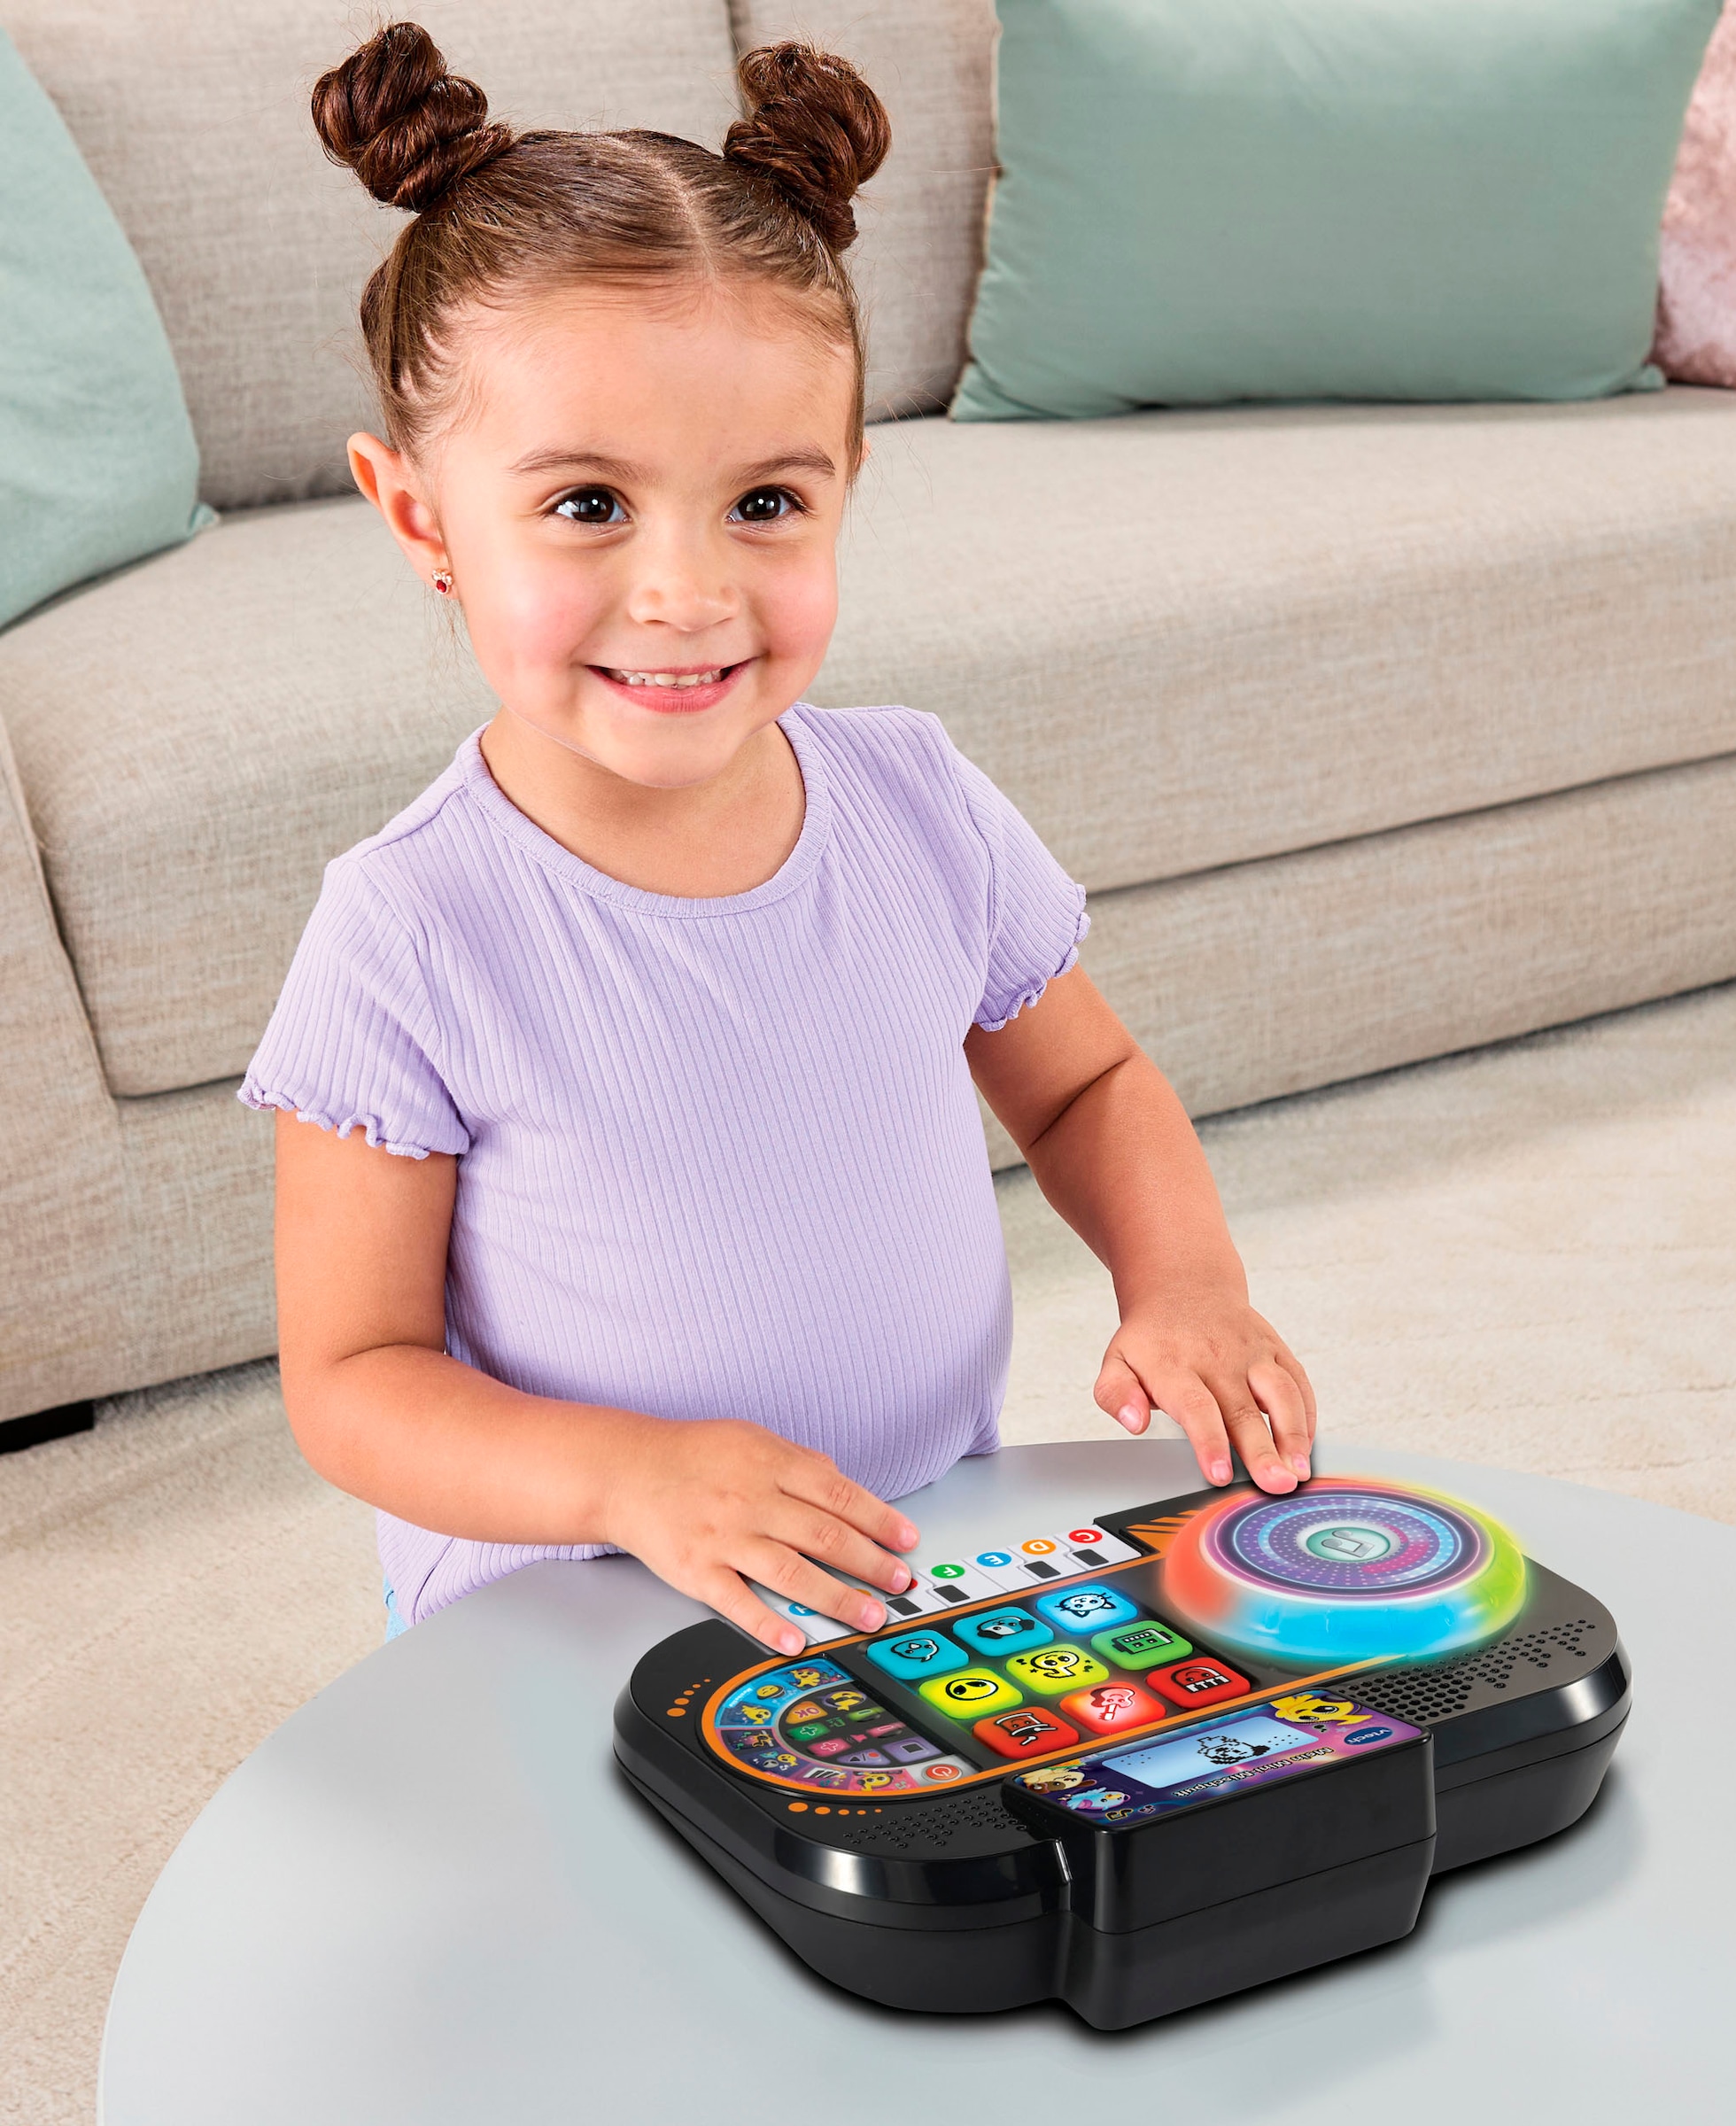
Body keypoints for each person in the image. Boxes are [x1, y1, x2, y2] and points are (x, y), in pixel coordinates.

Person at [250, 23, 1315, 1653]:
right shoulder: (413, 926)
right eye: (589, 505)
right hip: (568, 1610)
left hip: (917, 1561)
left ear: (846, 485)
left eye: (765, 504)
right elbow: (352, 1379)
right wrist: (630, 1481)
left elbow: (1087, 1085)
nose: (687, 594)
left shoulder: (918, 801)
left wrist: (1186, 1285)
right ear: (421, 517)